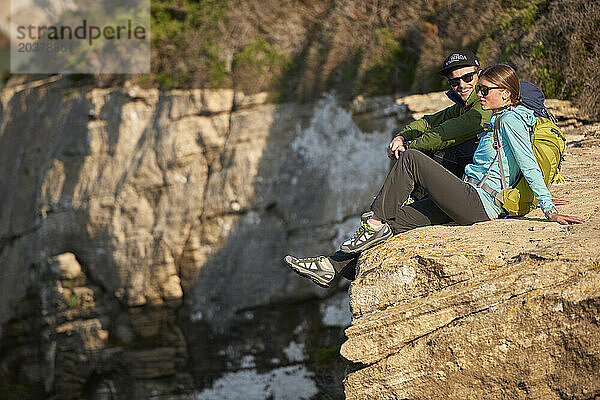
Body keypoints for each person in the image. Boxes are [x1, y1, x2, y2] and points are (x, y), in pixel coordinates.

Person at [284, 64, 584, 288]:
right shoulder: (498, 119)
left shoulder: (511, 120)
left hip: (480, 203)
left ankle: (372, 222)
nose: (479, 94)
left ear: (506, 94)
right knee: (395, 221)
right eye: (478, 89)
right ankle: (332, 267)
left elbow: (529, 165)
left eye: (485, 89)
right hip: (469, 197)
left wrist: (549, 208)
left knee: (413, 159)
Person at [389, 49, 492, 180]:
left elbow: (445, 134)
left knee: (439, 153)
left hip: (489, 189)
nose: (462, 85)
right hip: (469, 178)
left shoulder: (487, 103)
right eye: (455, 82)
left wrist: (408, 146)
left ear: (479, 74)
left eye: (467, 78)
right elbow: (429, 122)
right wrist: (401, 137)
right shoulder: (462, 106)